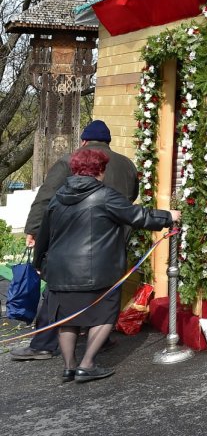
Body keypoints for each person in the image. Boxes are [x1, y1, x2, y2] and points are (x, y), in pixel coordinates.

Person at [33, 148, 179, 382]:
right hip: (98, 272)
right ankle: (87, 365)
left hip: (60, 271)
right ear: (100, 170)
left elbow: (44, 234)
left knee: (67, 319)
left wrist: (38, 262)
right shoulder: (104, 195)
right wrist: (168, 216)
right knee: (104, 315)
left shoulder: (58, 197)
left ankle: (69, 367)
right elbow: (137, 216)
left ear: (75, 169)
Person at [13, 120, 138, 362]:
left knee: (57, 294)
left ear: (83, 141)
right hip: (114, 241)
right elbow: (132, 196)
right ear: (108, 142)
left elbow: (46, 198)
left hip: (73, 242)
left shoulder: (71, 160)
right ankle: (100, 340)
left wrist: (34, 229)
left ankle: (43, 344)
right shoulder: (126, 164)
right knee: (105, 293)